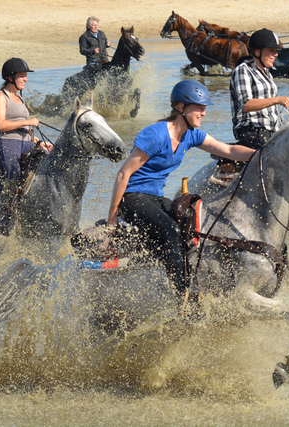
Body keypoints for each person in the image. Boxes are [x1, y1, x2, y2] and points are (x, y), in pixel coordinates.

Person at [107, 80, 256, 305]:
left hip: (155, 198)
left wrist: (262, 154)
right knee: (171, 231)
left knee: (193, 224)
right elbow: (122, 175)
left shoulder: (191, 135)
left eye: (204, 108)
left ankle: (197, 279)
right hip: (133, 198)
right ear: (180, 107)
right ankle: (183, 297)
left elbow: (228, 150)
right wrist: (112, 218)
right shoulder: (155, 135)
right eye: (199, 107)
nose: (203, 113)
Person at [0, 57, 50, 235]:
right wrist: (28, 121)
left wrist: (40, 142)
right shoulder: (0, 96)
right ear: (10, 77)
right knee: (14, 172)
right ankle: (6, 214)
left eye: (26, 76)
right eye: (22, 76)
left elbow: (25, 129)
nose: (25, 79)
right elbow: (0, 125)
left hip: (26, 141)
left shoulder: (19, 98)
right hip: (7, 141)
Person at [229, 28, 289, 152]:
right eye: (271, 51)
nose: (275, 54)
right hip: (251, 130)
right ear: (257, 52)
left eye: (276, 51)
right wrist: (278, 100)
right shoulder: (243, 70)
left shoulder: (268, 73)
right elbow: (246, 105)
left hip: (272, 130)